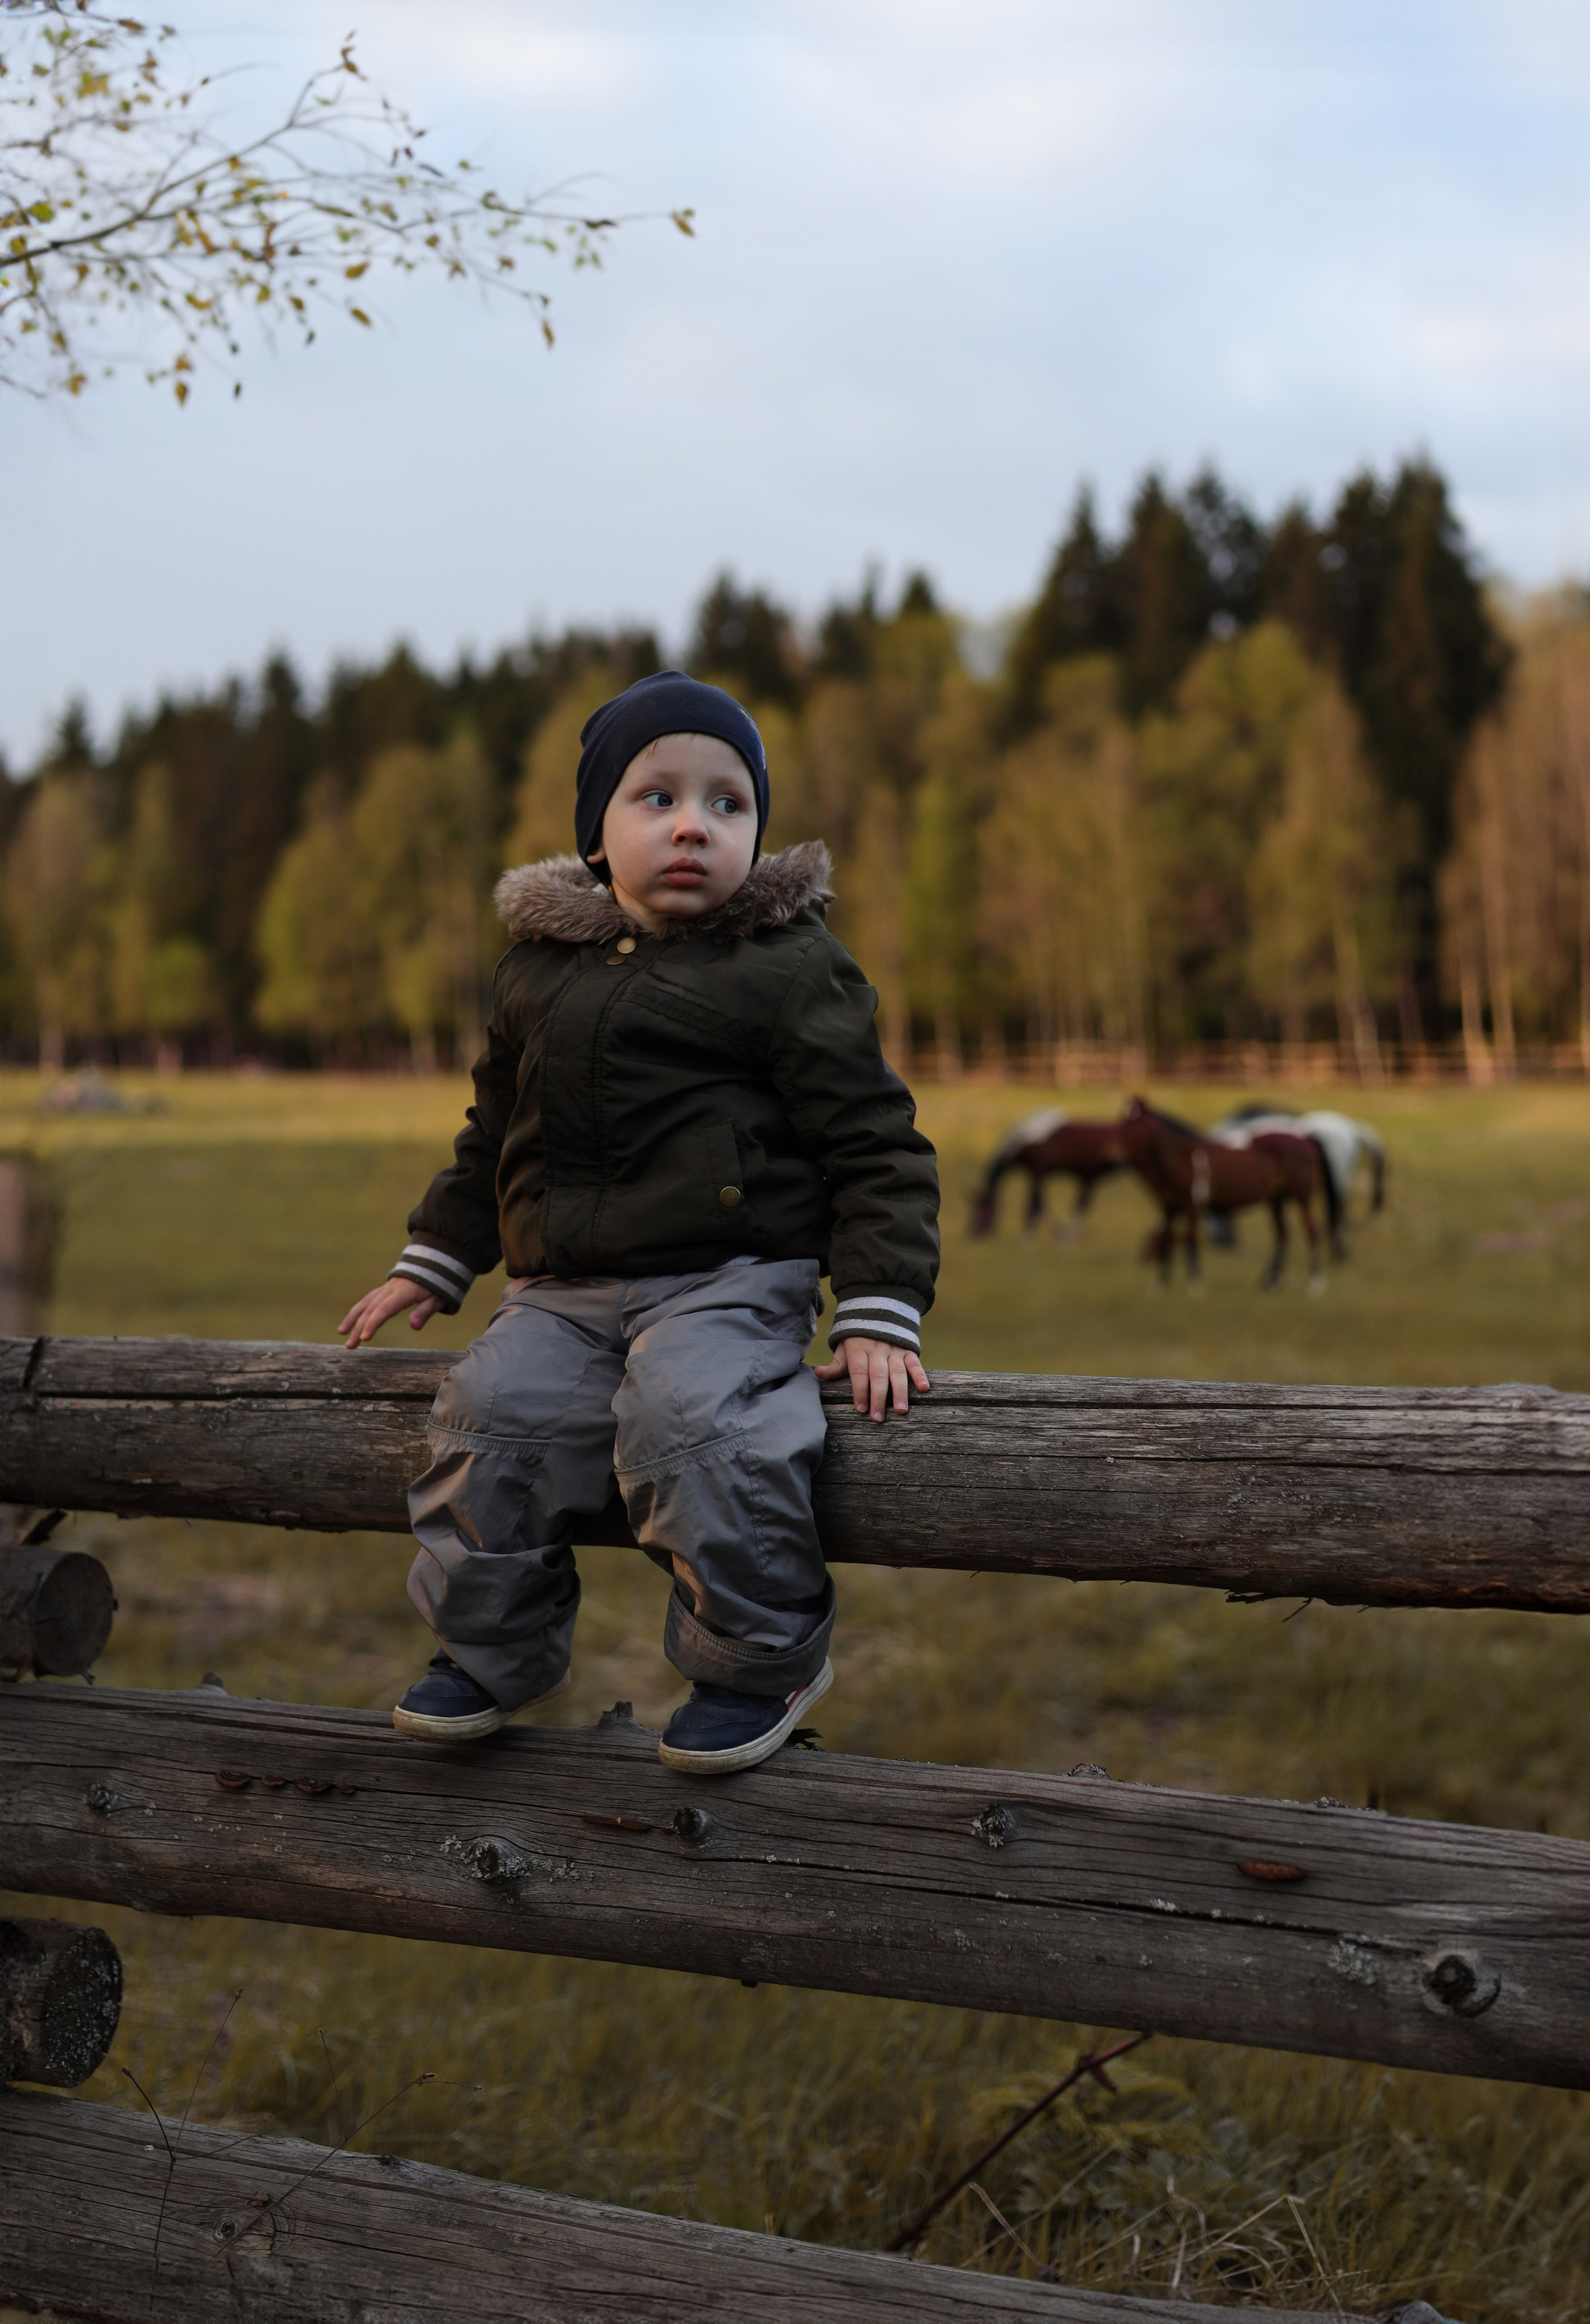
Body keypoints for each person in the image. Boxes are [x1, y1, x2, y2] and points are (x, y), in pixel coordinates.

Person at [338, 670, 940, 1774]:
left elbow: (876, 1142)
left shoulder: (790, 965)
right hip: (559, 1291)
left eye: (727, 804)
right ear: (596, 833)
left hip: (729, 1279)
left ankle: (760, 1655)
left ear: (757, 831)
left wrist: (879, 1307)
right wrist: (437, 1255)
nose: (692, 828)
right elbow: (495, 1130)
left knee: (693, 1420)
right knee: (487, 1415)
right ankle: (490, 1650)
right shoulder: (539, 972)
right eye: (655, 798)